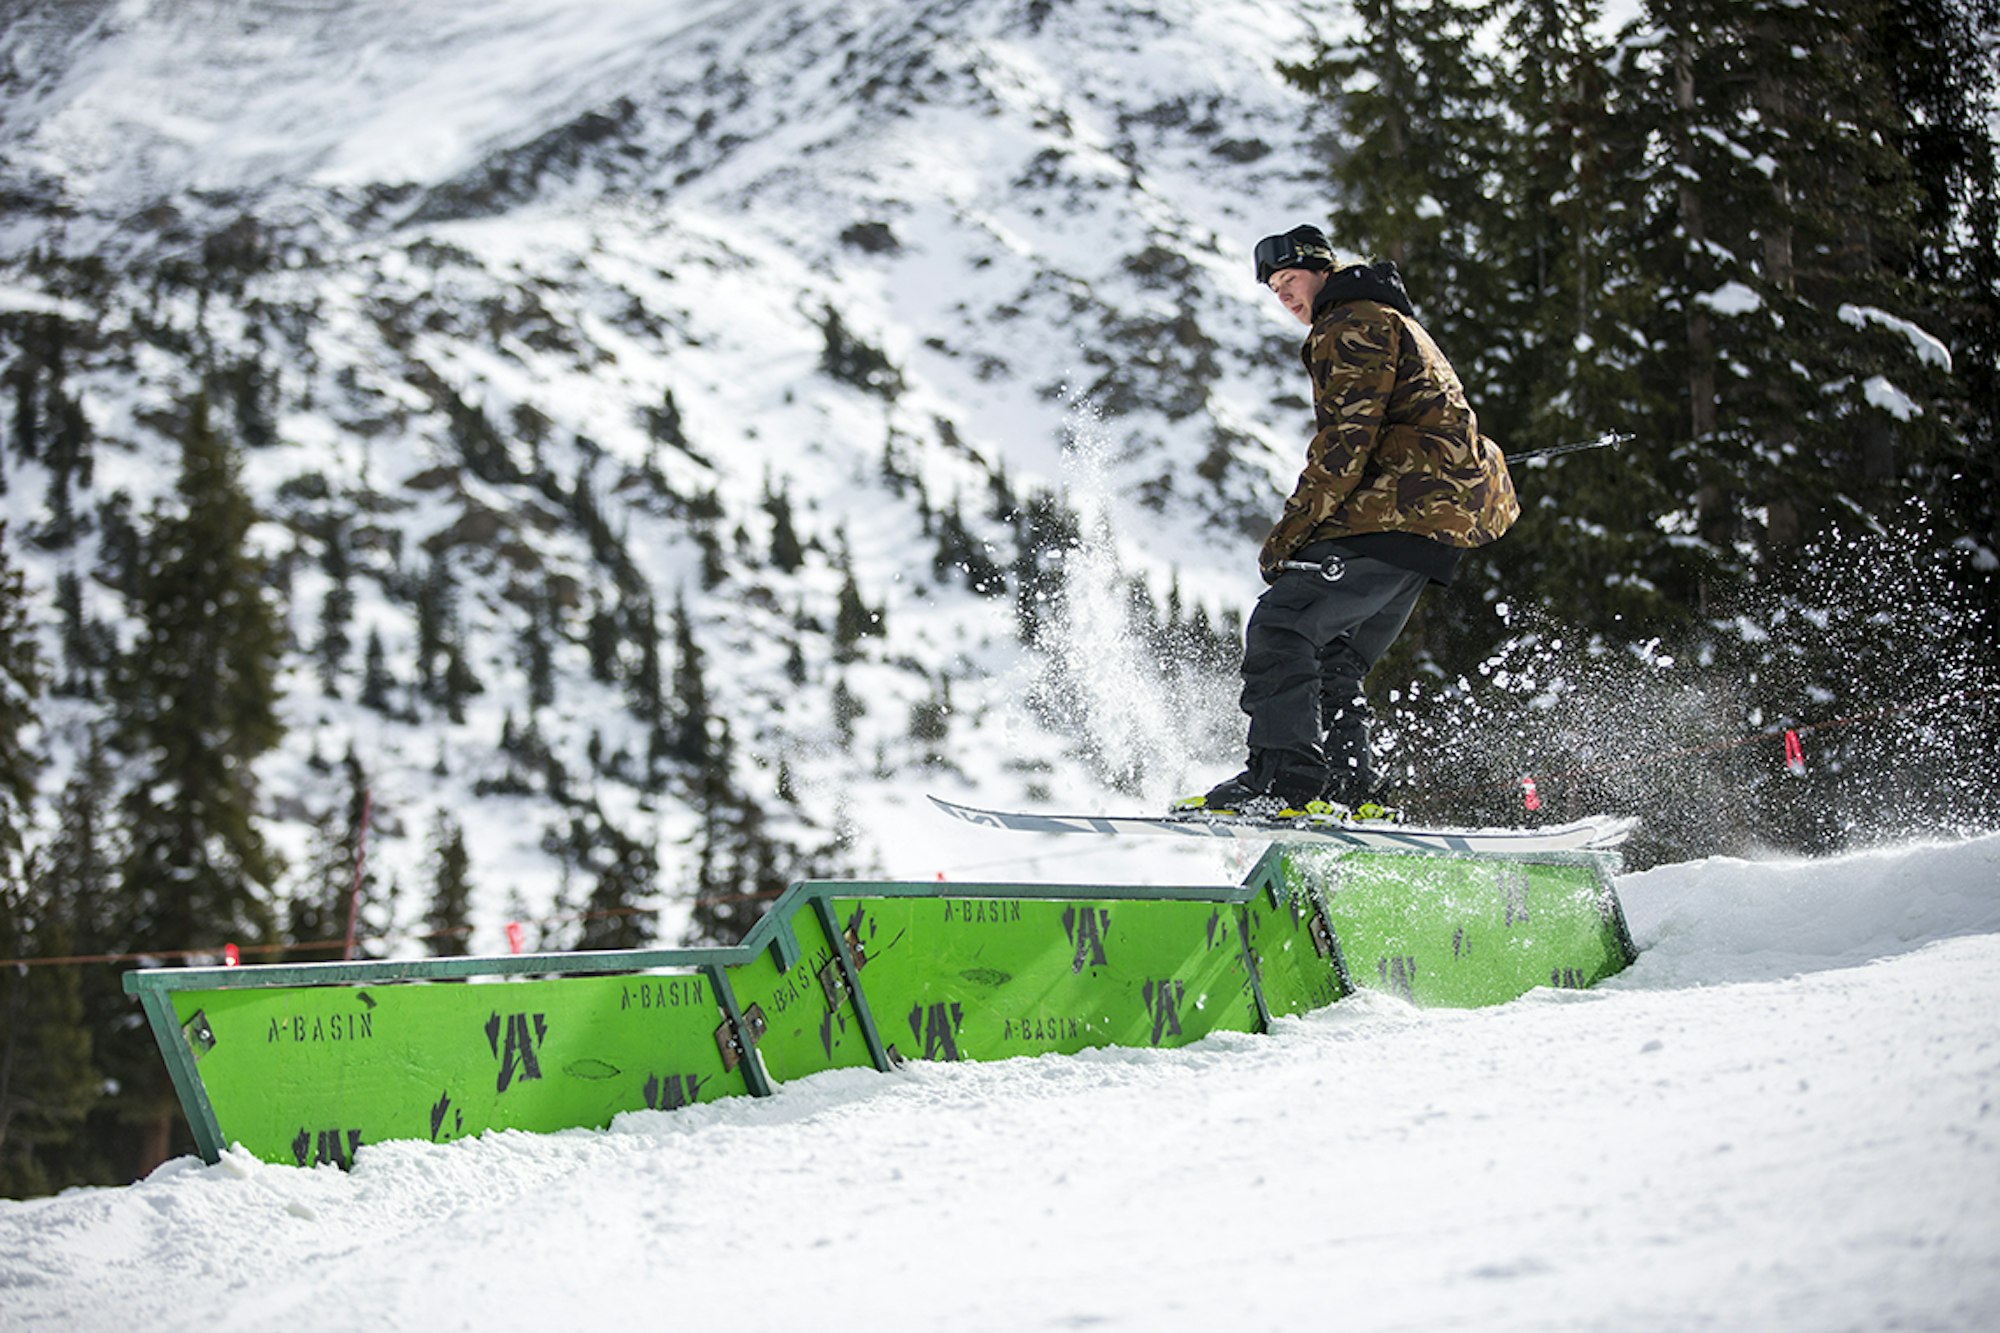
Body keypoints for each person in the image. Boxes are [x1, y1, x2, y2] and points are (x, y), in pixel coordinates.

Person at [1176, 224, 1519, 817]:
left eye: (1290, 280)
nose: (1283, 296)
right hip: (1429, 529)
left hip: (1397, 515)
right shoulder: (1386, 318)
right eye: (1274, 289)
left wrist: (1289, 534)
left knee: (1282, 627)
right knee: (1333, 651)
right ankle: (1348, 788)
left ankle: (1283, 782)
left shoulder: (1351, 320)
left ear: (1323, 271)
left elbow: (1345, 440)